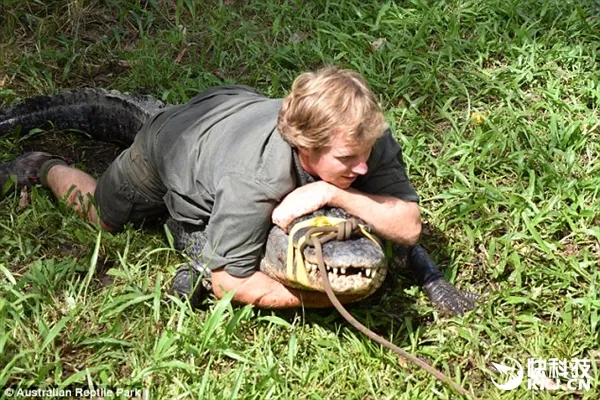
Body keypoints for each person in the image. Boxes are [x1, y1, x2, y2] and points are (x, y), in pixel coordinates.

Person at [0, 67, 474, 313]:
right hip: (171, 143)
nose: (365, 165)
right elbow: (227, 278)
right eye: (347, 162)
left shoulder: (363, 136)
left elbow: (407, 227)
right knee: (104, 217)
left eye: (364, 152)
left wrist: (337, 194)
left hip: (236, 107)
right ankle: (42, 166)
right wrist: (323, 297)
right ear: (304, 148)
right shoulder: (255, 181)